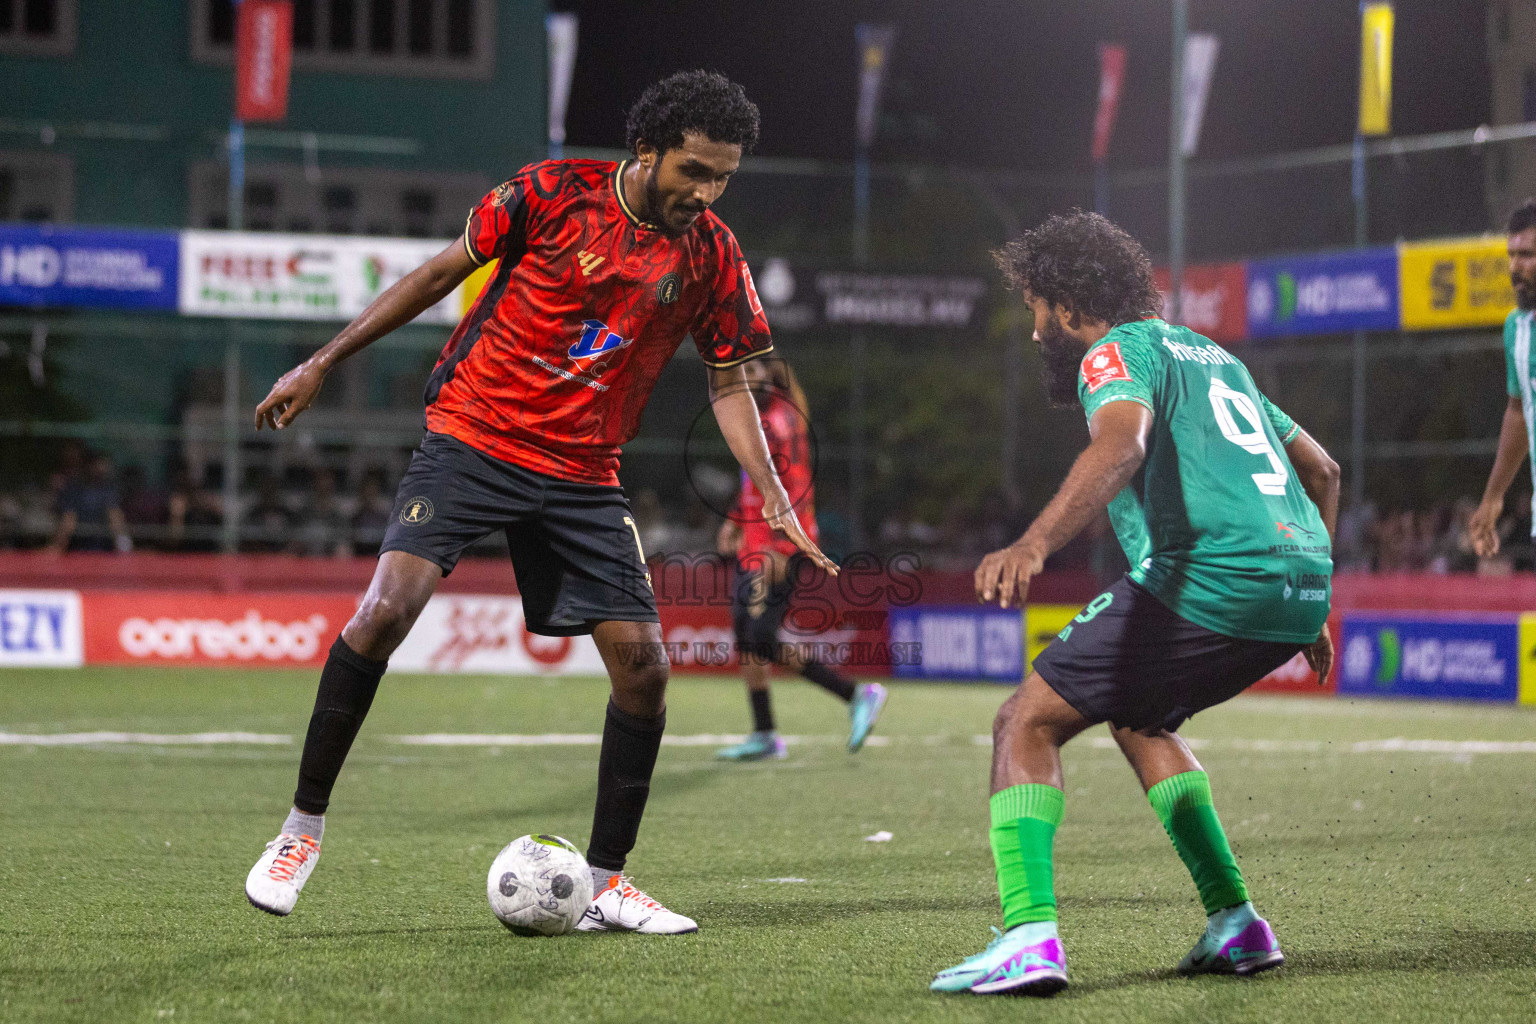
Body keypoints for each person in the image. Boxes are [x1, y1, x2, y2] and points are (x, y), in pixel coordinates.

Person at [242, 71, 834, 934]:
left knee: (645, 672)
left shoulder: (712, 253)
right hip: (473, 435)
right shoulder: (550, 193)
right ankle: (300, 834)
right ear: (648, 151)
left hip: (584, 469)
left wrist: (775, 496)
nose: (705, 193)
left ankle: (604, 883)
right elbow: (440, 271)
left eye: (722, 178)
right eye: (694, 172)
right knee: (384, 610)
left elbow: (730, 377)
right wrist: (322, 361)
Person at [931, 211, 1338, 996]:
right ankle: (1236, 923)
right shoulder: (1217, 358)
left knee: (1025, 721)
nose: (1034, 330)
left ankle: (1028, 939)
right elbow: (1324, 471)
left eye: (1035, 310)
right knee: (1138, 715)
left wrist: (1034, 544)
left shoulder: (1117, 351)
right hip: (1295, 582)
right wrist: (1312, 587)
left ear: (1068, 302)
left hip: (1211, 576)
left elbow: (1123, 444)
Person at [713, 356, 887, 761]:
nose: (745, 377)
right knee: (749, 634)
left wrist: (781, 548)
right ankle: (765, 733)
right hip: (755, 542)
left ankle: (857, 694)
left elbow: (794, 487)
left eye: (753, 371)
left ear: (768, 377)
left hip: (777, 547)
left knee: (758, 636)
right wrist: (736, 521)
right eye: (743, 371)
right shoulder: (759, 419)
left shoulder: (776, 422)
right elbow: (756, 480)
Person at [1467, 199, 1536, 561]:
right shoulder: (1517, 329)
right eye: (1511, 255)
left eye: (1526, 255)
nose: (1515, 267)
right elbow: (1520, 412)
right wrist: (1493, 497)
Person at [46, 451, 131, 554]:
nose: (102, 469)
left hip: (103, 548)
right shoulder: (74, 489)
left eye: (104, 465)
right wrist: (57, 547)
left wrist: (124, 546)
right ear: (89, 465)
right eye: (98, 465)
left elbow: (115, 518)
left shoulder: (108, 490)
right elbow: (68, 521)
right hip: (78, 548)